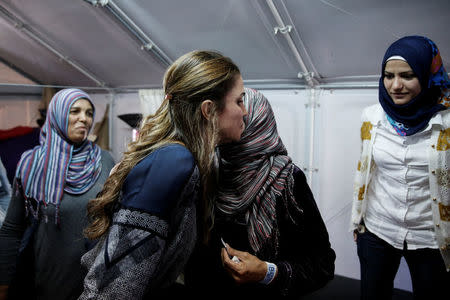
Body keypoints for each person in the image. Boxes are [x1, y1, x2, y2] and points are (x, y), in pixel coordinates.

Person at [77, 50, 247, 299]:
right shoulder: (173, 161)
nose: (245, 111)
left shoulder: (183, 158)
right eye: (239, 101)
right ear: (208, 110)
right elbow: (118, 284)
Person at [184, 87, 336, 298]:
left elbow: (322, 264)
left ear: (259, 121)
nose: (242, 113)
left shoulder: (287, 179)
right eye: (236, 105)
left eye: (244, 107)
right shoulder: (209, 170)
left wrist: (267, 272)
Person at [350, 35, 450, 299]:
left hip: (430, 236)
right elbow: (365, 172)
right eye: (388, 75)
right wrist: (357, 220)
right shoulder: (372, 116)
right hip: (378, 229)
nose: (395, 86)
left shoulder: (447, 121)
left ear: (428, 75)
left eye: (407, 76)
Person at [0, 88, 115, 300]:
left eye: (89, 113)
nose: (84, 119)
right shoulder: (32, 164)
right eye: (75, 111)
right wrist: (3, 283)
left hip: (96, 278)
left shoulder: (104, 161)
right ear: (57, 114)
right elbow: (12, 229)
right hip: (50, 279)